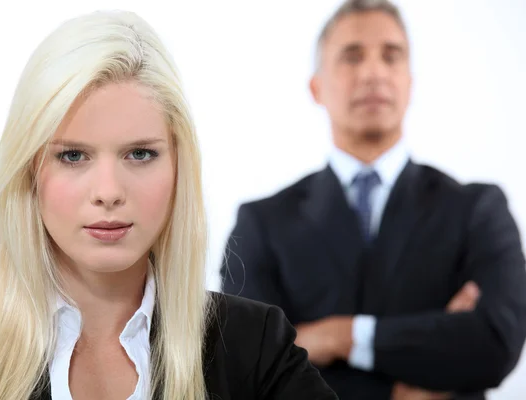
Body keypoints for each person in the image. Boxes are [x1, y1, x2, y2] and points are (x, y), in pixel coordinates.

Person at [0, 10, 339, 400]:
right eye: (73, 155)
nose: (108, 191)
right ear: (28, 169)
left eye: (139, 154)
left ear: (180, 166)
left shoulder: (256, 343)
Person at [220, 0, 526, 399]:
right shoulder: (262, 223)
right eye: (351, 56)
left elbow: (496, 343)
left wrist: (337, 336)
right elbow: (242, 369)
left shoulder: (477, 210)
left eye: (391, 56)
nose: (372, 72)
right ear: (317, 87)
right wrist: (421, 370)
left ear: (410, 83)